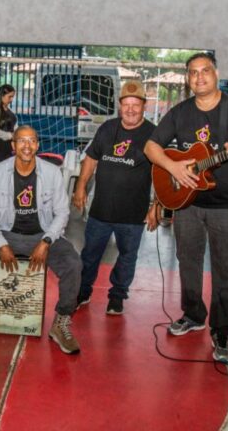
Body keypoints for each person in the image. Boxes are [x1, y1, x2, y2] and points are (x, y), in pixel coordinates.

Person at [144, 52, 228, 363]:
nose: (199, 77)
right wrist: (172, 167)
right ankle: (193, 313)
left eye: (205, 71)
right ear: (188, 79)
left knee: (227, 268)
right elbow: (151, 146)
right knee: (188, 262)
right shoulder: (181, 112)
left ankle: (223, 330)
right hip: (187, 202)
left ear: (216, 73)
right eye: (193, 72)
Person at [0, 125, 83, 354]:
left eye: (32, 140)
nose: (27, 146)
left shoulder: (52, 173)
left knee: (73, 264)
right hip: (6, 233)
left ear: (38, 145)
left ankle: (61, 322)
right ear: (13, 145)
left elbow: (62, 213)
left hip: (43, 234)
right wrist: (0, 243)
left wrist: (46, 241)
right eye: (22, 140)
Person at [72, 80, 158, 315]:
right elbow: (91, 158)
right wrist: (80, 186)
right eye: (126, 104)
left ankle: (117, 295)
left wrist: (157, 205)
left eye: (136, 104)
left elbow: (161, 171)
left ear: (144, 106)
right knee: (89, 254)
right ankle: (83, 291)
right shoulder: (107, 128)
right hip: (101, 211)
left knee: (127, 257)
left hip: (133, 213)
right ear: (120, 106)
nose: (130, 109)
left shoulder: (153, 134)